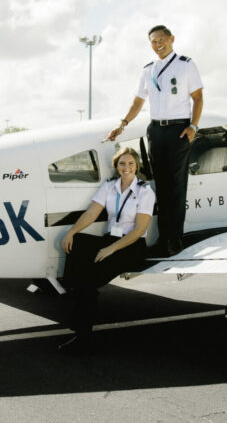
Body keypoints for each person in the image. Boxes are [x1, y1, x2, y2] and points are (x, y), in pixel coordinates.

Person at [106, 25, 203, 257]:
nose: (158, 44)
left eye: (161, 39)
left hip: (179, 130)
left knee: (177, 187)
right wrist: (122, 124)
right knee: (161, 186)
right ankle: (163, 239)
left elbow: (198, 98)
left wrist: (193, 126)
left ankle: (174, 241)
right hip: (156, 131)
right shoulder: (148, 70)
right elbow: (138, 103)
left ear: (171, 39)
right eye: (153, 41)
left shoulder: (186, 64)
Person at [58, 146, 155, 353]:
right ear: (116, 166)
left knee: (88, 281)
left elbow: (139, 230)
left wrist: (111, 249)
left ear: (137, 166)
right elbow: (92, 213)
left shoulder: (145, 191)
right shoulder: (109, 186)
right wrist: (71, 232)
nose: (126, 167)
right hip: (111, 240)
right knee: (78, 242)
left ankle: (83, 336)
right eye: (122, 163)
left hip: (131, 246)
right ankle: (74, 287)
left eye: (130, 163)